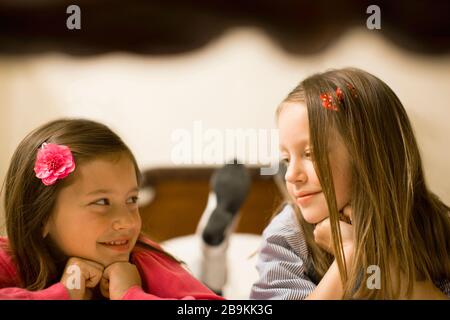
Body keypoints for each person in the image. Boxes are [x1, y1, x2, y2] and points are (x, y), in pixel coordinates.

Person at [250, 68, 450, 299]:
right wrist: (349, 255)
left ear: (367, 155)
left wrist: (383, 264)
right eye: (286, 160)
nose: (291, 175)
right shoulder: (287, 235)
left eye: (310, 154)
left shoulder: (429, 224)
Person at [0, 118, 224, 300]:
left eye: (132, 199)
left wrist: (130, 294)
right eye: (101, 202)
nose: (128, 222)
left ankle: (213, 255)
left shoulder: (143, 258)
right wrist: (64, 293)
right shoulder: (9, 260)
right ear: (41, 217)